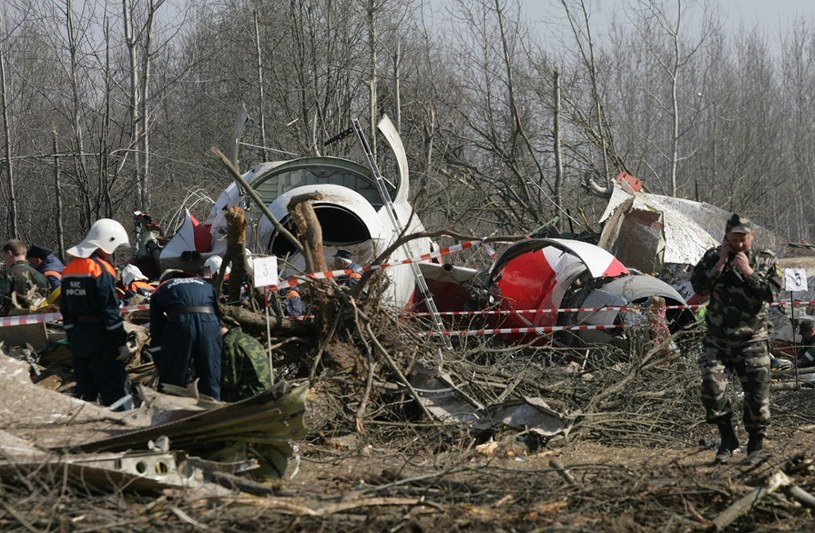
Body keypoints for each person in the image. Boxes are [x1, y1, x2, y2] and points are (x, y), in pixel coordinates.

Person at [691, 213, 782, 465]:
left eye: (744, 239)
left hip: (752, 338)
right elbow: (698, 288)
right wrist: (719, 264)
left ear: (751, 237)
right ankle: (727, 438)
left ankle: (755, 447)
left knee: (757, 394)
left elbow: (771, 294)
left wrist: (748, 271)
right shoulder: (712, 257)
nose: (740, 244)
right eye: (735, 239)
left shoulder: (765, 259)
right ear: (726, 237)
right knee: (711, 386)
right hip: (718, 339)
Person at [60, 219, 133, 410]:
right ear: (107, 242)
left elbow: (65, 311)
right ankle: (124, 433)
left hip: (78, 338)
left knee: (85, 395)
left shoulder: (68, 270)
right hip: (100, 337)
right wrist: (120, 341)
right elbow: (110, 309)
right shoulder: (101, 269)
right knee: (115, 391)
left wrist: (72, 339)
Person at [149, 269, 223, 400]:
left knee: (173, 379)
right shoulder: (205, 285)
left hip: (181, 323)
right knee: (211, 373)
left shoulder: (161, 288)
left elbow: (157, 328)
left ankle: (171, 410)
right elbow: (217, 314)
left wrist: (161, 361)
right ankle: (213, 408)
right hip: (209, 322)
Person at [220, 321, 274, 402]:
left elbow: (230, 381)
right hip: (267, 387)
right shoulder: (244, 337)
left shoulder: (229, 343)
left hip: (252, 393)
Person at [0, 239, 50, 314]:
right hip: (39, 322)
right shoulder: (42, 277)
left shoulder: (5, 275)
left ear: (9, 253)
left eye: (5, 256)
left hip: (11, 323)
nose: (5, 260)